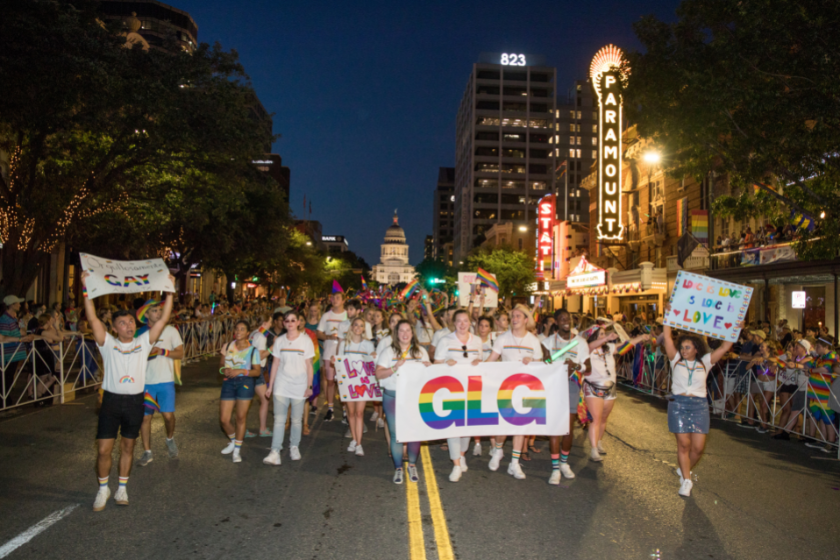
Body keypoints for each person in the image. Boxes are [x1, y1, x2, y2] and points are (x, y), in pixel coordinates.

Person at [80, 271, 175, 512]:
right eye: (122, 323)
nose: (129, 325)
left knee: (128, 447)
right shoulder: (108, 344)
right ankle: (103, 489)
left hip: (135, 402)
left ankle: (122, 487)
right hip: (111, 402)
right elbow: (92, 319)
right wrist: (85, 287)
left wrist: (170, 290)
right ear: (114, 328)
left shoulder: (143, 343)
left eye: (131, 322)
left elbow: (163, 320)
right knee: (103, 450)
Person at [662, 302, 741, 497]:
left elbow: (725, 347)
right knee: (684, 445)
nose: (684, 350)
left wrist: (735, 328)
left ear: (696, 349)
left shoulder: (705, 362)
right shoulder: (675, 360)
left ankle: (684, 468)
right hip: (678, 404)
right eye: (682, 347)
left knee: (697, 449)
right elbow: (667, 338)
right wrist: (668, 316)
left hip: (699, 406)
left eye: (687, 347)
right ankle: (687, 481)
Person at [486, 304, 543, 480]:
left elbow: (541, 367)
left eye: (519, 316)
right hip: (506, 388)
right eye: (513, 316)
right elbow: (490, 361)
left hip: (526, 389)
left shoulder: (534, 341)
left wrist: (532, 360)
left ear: (526, 320)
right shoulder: (503, 338)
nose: (515, 319)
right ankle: (498, 451)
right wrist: (475, 367)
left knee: (521, 426)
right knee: (503, 424)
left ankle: (515, 463)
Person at [375, 320, 431, 484]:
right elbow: (378, 374)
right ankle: (398, 468)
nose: (405, 334)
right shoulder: (388, 351)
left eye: (408, 330)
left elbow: (430, 377)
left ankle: (412, 465)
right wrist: (394, 368)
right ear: (396, 333)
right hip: (393, 396)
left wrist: (430, 367)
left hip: (414, 397)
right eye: (401, 331)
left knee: (414, 432)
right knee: (395, 434)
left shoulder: (421, 351)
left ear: (412, 333)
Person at [584, 326, 650, 461]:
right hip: (593, 386)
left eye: (604, 334)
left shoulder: (608, 347)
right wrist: (607, 338)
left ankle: (599, 441)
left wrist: (640, 338)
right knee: (595, 419)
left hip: (610, 386)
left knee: (603, 418)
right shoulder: (586, 348)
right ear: (593, 335)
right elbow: (591, 345)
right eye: (600, 334)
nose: (603, 336)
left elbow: (624, 347)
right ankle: (593, 449)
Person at [434, 309, 482, 482]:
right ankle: (455, 464)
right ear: (453, 323)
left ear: (470, 323)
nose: (462, 324)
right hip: (451, 389)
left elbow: (481, 363)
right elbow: (436, 363)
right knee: (453, 425)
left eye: (465, 321)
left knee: (467, 426)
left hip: (472, 388)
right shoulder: (445, 340)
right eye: (459, 321)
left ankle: (462, 455)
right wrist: (445, 363)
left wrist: (479, 362)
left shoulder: (477, 341)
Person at [543, 309, 590, 484]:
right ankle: (555, 468)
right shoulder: (548, 342)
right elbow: (545, 363)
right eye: (562, 319)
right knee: (556, 426)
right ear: (556, 321)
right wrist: (552, 364)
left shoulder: (580, 342)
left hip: (571, 385)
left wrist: (576, 365)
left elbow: (588, 366)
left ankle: (564, 462)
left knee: (568, 427)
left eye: (568, 319)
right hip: (554, 386)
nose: (566, 321)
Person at [137, 300, 185, 466]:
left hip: (165, 380)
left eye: (159, 310)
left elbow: (180, 353)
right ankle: (147, 452)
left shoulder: (170, 330)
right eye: (154, 310)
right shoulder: (140, 333)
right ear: (146, 315)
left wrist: (162, 351)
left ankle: (170, 438)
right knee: (145, 418)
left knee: (168, 416)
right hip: (146, 382)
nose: (158, 313)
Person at [264, 311, 315, 465]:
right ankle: (275, 451)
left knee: (296, 420)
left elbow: (309, 365)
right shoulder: (279, 341)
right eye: (287, 320)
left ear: (299, 322)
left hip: (299, 384)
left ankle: (294, 446)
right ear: (284, 323)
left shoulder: (306, 341)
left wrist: (309, 386)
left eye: (293, 320)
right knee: (279, 419)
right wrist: (270, 386)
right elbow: (275, 363)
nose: (290, 323)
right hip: (282, 383)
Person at [218, 320, 263, 463]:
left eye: (242, 329)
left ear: (248, 333)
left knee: (240, 418)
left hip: (245, 383)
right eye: (237, 329)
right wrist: (224, 369)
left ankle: (237, 450)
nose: (238, 331)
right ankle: (233, 441)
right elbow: (221, 364)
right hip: (228, 382)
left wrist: (241, 371)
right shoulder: (228, 346)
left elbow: (256, 372)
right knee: (224, 420)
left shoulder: (253, 350)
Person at [334, 317, 375, 456]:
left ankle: (358, 444)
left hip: (362, 383)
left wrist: (375, 357)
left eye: (361, 325)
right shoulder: (344, 344)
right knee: (350, 413)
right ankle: (354, 439)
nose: (358, 327)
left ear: (364, 329)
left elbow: (372, 365)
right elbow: (339, 363)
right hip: (347, 382)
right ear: (351, 327)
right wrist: (337, 376)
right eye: (355, 325)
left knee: (359, 413)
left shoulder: (368, 345)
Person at [317, 292, 348, 421]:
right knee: (330, 382)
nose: (334, 300)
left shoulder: (347, 315)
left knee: (344, 383)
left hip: (344, 353)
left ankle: (346, 411)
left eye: (337, 298)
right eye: (332, 298)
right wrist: (328, 336)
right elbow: (319, 333)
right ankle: (330, 409)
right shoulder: (326, 316)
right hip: (329, 352)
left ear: (343, 300)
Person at [246, 314, 274, 438]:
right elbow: (261, 356)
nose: (271, 324)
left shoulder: (254, 333)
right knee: (265, 399)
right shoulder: (261, 337)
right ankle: (262, 429)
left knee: (246, 400)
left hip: (250, 368)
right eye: (270, 321)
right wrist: (273, 348)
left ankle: (243, 428)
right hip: (256, 369)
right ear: (265, 323)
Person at [472, 314, 496, 456]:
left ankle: (493, 445)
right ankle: (477, 443)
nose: (483, 328)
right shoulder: (472, 342)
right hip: (476, 381)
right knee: (476, 412)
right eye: (481, 325)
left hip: (491, 381)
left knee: (490, 413)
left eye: (486, 326)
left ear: (490, 329)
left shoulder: (494, 343)